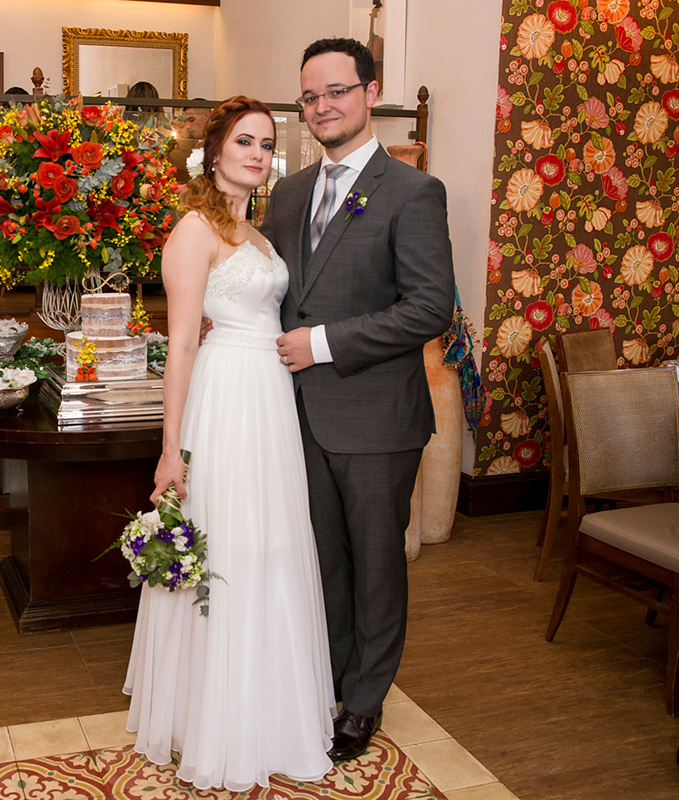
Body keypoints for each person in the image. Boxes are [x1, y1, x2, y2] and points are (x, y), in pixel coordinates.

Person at [124, 96, 336, 791]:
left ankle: (270, 709)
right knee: (231, 547)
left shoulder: (265, 237)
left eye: (268, 144)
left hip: (271, 402)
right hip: (225, 400)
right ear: (214, 152)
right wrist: (171, 450)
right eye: (244, 141)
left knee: (272, 547)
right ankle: (215, 719)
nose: (257, 153)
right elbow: (182, 342)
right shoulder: (194, 230)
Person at [259, 38, 455, 761]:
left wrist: (325, 343)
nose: (322, 107)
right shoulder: (286, 193)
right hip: (297, 418)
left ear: (371, 92)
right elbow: (280, 297)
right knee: (322, 562)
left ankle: (364, 702)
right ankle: (330, 680)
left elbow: (430, 307)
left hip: (376, 418)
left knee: (376, 567)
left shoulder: (413, 191)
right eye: (310, 97)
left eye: (337, 91)